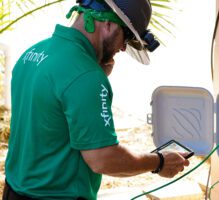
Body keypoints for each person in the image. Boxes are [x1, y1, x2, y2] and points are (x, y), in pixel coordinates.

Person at [3, 0, 190, 199]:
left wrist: (93, 75)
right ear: (108, 24)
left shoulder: (33, 53)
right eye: (126, 37)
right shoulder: (86, 76)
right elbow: (103, 158)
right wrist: (159, 162)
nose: (123, 48)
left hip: (14, 190)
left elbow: (50, 118)